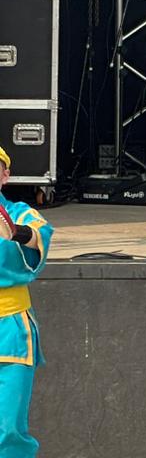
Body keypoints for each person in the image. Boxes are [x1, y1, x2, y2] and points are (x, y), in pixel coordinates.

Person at [0, 144, 53, 458]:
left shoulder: (20, 211)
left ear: (5, 175)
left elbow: (38, 236)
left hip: (10, 330)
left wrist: (14, 232)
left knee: (8, 429)